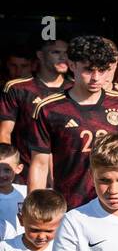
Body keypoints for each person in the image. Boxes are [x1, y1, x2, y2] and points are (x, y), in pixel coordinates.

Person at [27, 36, 118, 209]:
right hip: (69, 205)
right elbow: (39, 164)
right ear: (72, 65)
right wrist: (34, 209)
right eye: (89, 70)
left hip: (116, 205)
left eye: (102, 70)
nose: (96, 77)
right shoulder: (49, 108)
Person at [0, 38, 69, 169]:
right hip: (24, 172)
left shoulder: (76, 88)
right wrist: (9, 168)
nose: (63, 57)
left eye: (67, 53)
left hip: (65, 175)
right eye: (56, 52)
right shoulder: (18, 87)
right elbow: (4, 133)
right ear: (40, 55)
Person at [0, 144, 25, 240]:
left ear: (19, 168)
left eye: (7, 170)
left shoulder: (25, 192)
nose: (1, 175)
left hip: (22, 249)